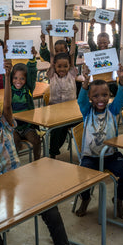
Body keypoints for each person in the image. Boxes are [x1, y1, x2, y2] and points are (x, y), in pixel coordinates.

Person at [0, 60, 92, 245]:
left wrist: (7, 76)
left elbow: (7, 105)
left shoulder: (6, 123)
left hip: (17, 180)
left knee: (50, 207)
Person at [75, 64, 123, 219]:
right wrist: (86, 83)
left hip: (110, 156)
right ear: (90, 98)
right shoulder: (87, 111)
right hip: (90, 157)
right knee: (81, 178)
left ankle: (119, 199)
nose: (100, 99)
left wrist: (121, 80)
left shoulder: (112, 110)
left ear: (109, 95)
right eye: (95, 96)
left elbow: (121, 97)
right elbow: (81, 100)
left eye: (104, 95)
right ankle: (86, 199)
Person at [46, 28, 79, 159]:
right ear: (54, 66)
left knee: (83, 123)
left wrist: (74, 35)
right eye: (59, 66)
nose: (62, 69)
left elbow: (72, 53)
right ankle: (53, 152)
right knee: (58, 129)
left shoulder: (71, 73)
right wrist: (49, 36)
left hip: (72, 112)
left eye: (65, 66)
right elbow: (52, 56)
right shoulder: (52, 74)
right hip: (56, 113)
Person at [10, 46, 42, 161]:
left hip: (27, 126)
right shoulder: (9, 90)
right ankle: (14, 164)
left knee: (36, 141)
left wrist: (33, 59)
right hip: (14, 127)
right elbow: (6, 76)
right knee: (14, 143)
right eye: (15, 78)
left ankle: (37, 162)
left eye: (22, 79)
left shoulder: (28, 89)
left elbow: (32, 74)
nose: (18, 81)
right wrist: (5, 58)